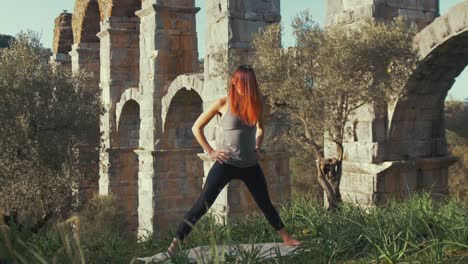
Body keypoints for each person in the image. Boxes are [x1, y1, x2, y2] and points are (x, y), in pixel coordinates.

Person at [167, 65, 301, 255]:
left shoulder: (255, 104)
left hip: (250, 165)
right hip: (226, 163)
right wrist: (211, 151)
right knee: (202, 204)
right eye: (242, 84)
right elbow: (196, 128)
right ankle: (173, 246)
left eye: (248, 84)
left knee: (265, 204)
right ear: (234, 82)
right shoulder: (223, 103)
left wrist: (257, 147)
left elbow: (261, 129)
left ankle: (287, 238)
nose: (245, 88)